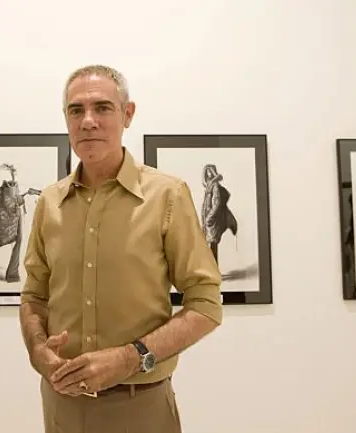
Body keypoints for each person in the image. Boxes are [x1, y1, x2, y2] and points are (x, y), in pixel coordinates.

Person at [18, 64, 223, 433]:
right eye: (76, 110)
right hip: (61, 404)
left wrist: (131, 358)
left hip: (140, 406)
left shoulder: (167, 195)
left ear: (128, 114)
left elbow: (206, 305)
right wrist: (38, 351)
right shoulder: (49, 202)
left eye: (102, 107)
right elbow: (34, 296)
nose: (88, 121)